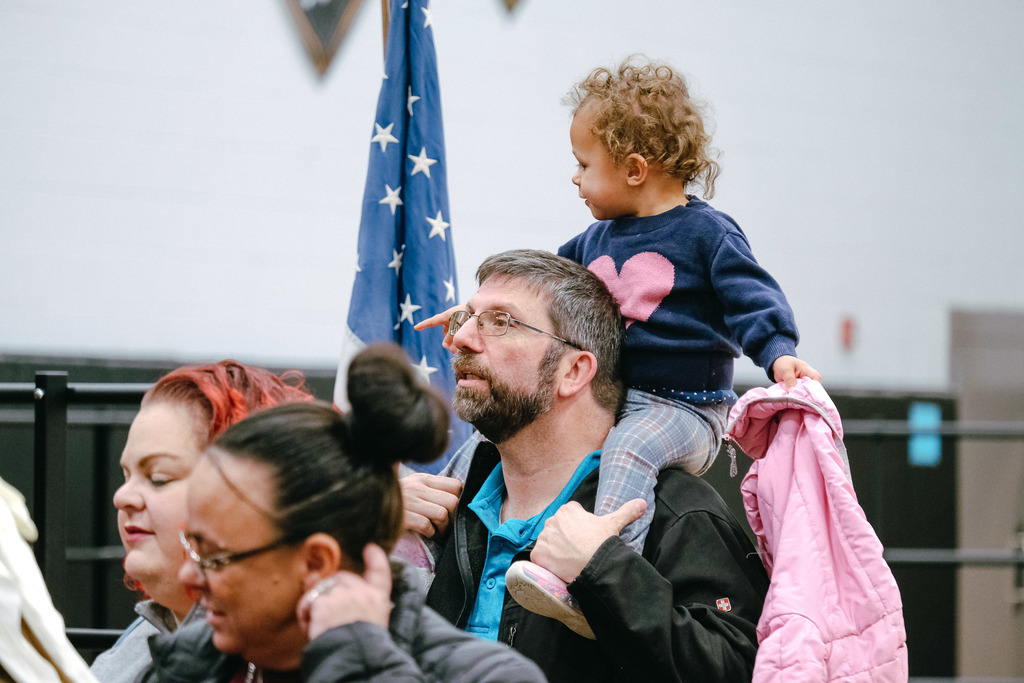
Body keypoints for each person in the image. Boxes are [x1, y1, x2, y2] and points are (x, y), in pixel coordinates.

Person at [414, 55, 819, 636]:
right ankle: (426, 530)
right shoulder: (594, 239)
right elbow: (542, 289)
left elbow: (750, 298)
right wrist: (476, 312)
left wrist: (778, 353)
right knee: (479, 446)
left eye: (583, 165)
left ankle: (592, 573)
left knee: (627, 452)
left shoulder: (708, 234)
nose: (574, 179)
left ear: (633, 168)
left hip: (684, 407)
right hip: (625, 395)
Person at [416, 250, 770, 681]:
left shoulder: (677, 514)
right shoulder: (444, 504)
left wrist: (605, 570)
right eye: (466, 320)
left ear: (574, 371)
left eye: (500, 322)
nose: (462, 339)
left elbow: (739, 669)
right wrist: (371, 534)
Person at [139, 344, 546, 683]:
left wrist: (360, 667)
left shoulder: (488, 676)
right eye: (192, 546)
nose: (189, 576)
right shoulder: (197, 659)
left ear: (317, 561)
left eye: (214, 556)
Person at [90, 361, 315, 683]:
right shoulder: (125, 659)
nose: (122, 496)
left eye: (158, 477)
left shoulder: (336, 646)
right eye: (126, 476)